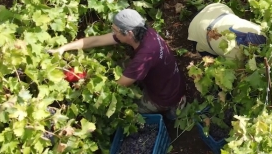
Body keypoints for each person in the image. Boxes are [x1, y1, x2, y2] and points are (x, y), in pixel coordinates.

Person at [49, 9, 186, 117]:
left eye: (115, 31)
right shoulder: (144, 31)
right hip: (170, 79)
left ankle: (172, 107)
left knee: (127, 109)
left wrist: (86, 81)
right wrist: (63, 48)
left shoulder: (144, 57)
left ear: (129, 34)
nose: (113, 33)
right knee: (122, 65)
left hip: (164, 97)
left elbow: (119, 86)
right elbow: (96, 41)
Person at [187, 3, 266, 59]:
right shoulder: (237, 56)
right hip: (196, 31)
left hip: (215, 9)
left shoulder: (256, 29)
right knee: (212, 58)